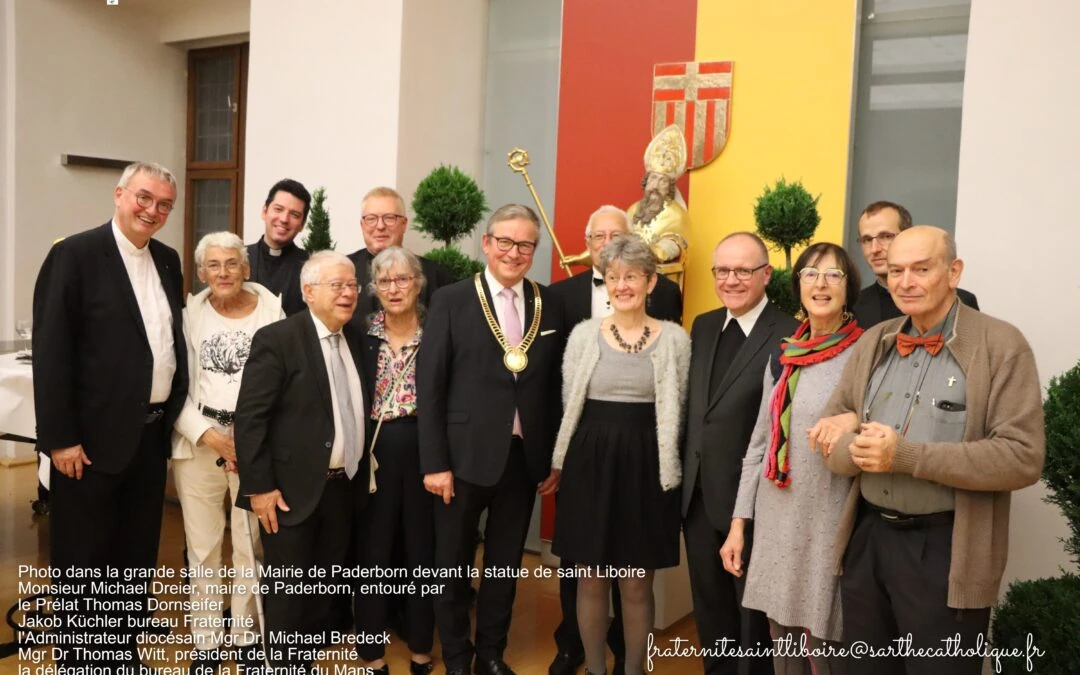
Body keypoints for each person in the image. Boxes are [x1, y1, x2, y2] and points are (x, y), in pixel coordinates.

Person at [809, 226, 1045, 674]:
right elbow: (827, 436)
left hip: (946, 549)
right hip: (868, 540)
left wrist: (905, 456)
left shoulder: (1001, 346)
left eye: (921, 268)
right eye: (896, 270)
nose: (905, 281)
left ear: (953, 272)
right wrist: (852, 443)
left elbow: (1022, 456)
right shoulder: (873, 341)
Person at [31, 161, 188, 671]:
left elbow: (164, 343)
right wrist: (59, 439)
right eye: (144, 197)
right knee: (84, 562)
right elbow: (52, 352)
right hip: (87, 444)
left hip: (147, 438)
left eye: (165, 204)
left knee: (134, 559)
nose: (153, 210)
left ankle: (122, 658)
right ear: (120, 194)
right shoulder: (73, 255)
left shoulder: (166, 260)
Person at [417, 204, 566, 675]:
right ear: (486, 243)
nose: (514, 252)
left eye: (525, 245)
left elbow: (556, 389)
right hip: (460, 461)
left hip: (523, 462)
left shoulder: (549, 303)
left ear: (534, 251)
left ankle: (491, 654)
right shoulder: (452, 300)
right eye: (505, 241)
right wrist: (434, 462)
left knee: (504, 566)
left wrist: (553, 458)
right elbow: (431, 386)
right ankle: (458, 656)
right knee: (453, 565)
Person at [546, 205, 681, 675]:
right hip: (590, 461)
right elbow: (569, 406)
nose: (622, 285)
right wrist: (560, 462)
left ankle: (634, 671)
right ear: (604, 281)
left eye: (633, 276)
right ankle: (596, 670)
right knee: (589, 578)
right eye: (614, 277)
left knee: (636, 582)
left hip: (647, 462)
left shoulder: (675, 340)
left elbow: (677, 414)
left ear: (651, 283)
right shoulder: (583, 336)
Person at [720, 242, 863, 675]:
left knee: (825, 644)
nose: (821, 284)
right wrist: (739, 524)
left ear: (848, 287)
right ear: (797, 284)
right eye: (810, 274)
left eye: (833, 275)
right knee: (780, 640)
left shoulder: (864, 355)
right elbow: (759, 445)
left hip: (829, 519)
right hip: (777, 516)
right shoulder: (784, 356)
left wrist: (851, 421)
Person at [234, 250, 372, 673]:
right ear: (309, 292)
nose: (348, 293)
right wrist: (259, 488)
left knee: (324, 592)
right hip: (289, 491)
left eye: (353, 285)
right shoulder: (279, 339)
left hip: (342, 489)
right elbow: (251, 418)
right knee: (289, 595)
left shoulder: (357, 339)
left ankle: (303, 663)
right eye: (338, 285)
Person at [681, 232, 799, 675]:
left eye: (743, 271)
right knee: (711, 617)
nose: (731, 280)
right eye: (722, 271)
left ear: (766, 275)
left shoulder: (789, 334)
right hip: (697, 499)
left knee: (753, 625)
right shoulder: (704, 325)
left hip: (753, 505)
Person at [171, 232, 285, 674]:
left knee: (250, 545)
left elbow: (285, 379)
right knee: (202, 548)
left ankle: (245, 637)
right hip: (198, 440)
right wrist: (211, 436)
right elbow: (174, 383)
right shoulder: (188, 317)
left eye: (231, 264)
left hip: (257, 444)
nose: (222, 273)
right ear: (201, 274)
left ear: (246, 268)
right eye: (213, 266)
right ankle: (205, 643)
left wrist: (250, 440)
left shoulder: (274, 312)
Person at [354, 246, 434, 675]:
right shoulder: (361, 331)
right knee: (374, 551)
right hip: (375, 451)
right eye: (384, 281)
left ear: (418, 283)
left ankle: (422, 645)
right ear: (374, 288)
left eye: (402, 279)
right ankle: (371, 652)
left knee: (424, 550)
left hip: (426, 449)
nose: (394, 288)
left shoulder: (439, 330)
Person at [851, 200, 977, 327]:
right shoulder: (852, 307)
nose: (875, 249)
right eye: (866, 240)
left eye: (886, 236)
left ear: (908, 236)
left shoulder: (962, 301)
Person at [347, 186, 454, 320]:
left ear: (404, 224)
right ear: (362, 225)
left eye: (389, 218)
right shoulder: (344, 271)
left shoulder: (435, 276)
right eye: (371, 218)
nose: (380, 226)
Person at [625, 126, 690, 288]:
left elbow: (675, 245)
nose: (656, 185)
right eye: (653, 179)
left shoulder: (676, 214)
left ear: (669, 188)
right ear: (646, 182)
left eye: (662, 181)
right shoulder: (634, 209)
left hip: (660, 279)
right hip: (628, 277)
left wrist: (655, 251)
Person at [247, 178, 312, 316]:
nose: (284, 219)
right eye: (278, 209)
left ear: (302, 224)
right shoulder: (239, 259)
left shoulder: (311, 265)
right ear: (264, 211)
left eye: (294, 215)